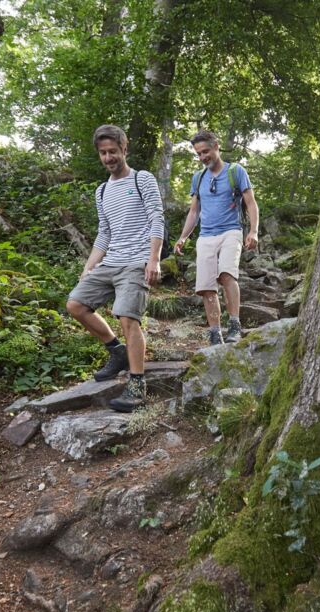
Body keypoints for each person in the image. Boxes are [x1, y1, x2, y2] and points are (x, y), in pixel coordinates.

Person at [65, 125, 165, 412]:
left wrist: (154, 258)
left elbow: (157, 219)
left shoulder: (142, 179)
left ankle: (137, 384)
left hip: (136, 262)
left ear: (124, 150)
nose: (108, 157)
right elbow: (104, 233)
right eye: (103, 153)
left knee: (127, 317)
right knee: (75, 305)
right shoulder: (102, 191)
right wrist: (89, 267)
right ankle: (116, 351)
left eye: (113, 151)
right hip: (110, 262)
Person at [173, 130, 260, 346]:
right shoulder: (198, 177)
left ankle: (234, 324)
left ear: (216, 146)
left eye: (205, 151)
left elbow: (250, 203)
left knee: (227, 275)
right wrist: (184, 237)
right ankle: (214, 332)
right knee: (206, 286)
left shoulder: (236, 171)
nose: (203, 157)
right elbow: (194, 211)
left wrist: (253, 231)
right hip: (206, 236)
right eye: (199, 154)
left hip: (231, 231)